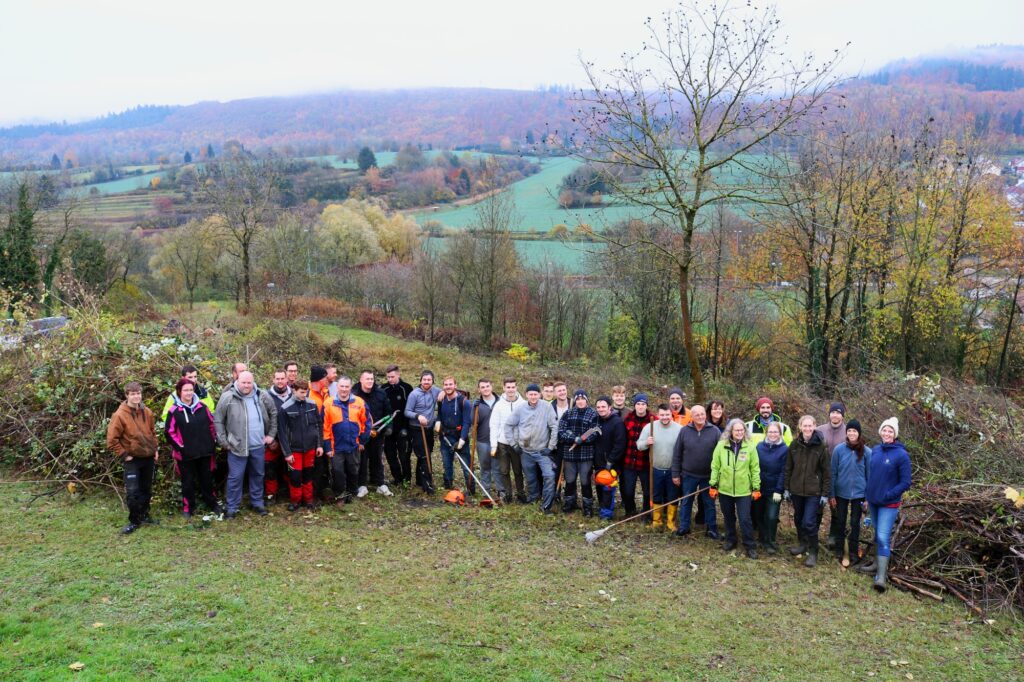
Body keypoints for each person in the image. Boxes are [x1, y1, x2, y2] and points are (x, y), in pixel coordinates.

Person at [214, 370, 277, 518]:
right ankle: (232, 507)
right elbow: (218, 420)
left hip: (258, 445)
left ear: (253, 382)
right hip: (237, 446)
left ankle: (257, 503)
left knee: (258, 474)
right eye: (243, 382)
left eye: (249, 382)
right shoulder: (228, 397)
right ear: (237, 381)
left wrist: (271, 435)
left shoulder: (261, 395)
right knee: (235, 477)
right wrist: (223, 441)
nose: (246, 385)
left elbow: (273, 413)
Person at [859, 418, 911, 592]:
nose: (887, 433)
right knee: (876, 533)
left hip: (889, 504)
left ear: (895, 434)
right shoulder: (876, 450)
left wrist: (889, 494)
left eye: (890, 431)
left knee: (882, 537)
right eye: (884, 430)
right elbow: (871, 475)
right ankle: (875, 564)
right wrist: (867, 496)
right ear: (880, 432)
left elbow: (905, 482)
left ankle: (881, 576)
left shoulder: (901, 455)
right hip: (873, 501)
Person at [165, 377, 222, 520]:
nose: (189, 393)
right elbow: (169, 432)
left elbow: (211, 425)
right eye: (185, 390)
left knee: (207, 479)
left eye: (191, 390)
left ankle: (212, 504)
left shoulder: (202, 407)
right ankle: (188, 508)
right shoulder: (174, 410)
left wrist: (212, 441)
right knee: (188, 482)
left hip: (205, 451)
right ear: (179, 392)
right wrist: (180, 447)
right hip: (185, 454)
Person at [106, 381, 159, 535]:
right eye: (133, 394)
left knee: (146, 489)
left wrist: (155, 449)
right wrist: (124, 455)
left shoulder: (147, 412)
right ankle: (134, 520)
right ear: (127, 395)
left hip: (148, 457)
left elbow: (152, 432)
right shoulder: (119, 415)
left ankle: (144, 515)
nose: (136, 396)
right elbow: (111, 440)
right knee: (133, 492)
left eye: (138, 393)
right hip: (133, 460)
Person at [709, 418, 761, 559]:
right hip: (725, 489)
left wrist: (756, 487)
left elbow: (755, 468)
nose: (739, 432)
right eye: (736, 430)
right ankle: (731, 540)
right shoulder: (721, 446)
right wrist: (713, 484)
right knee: (728, 517)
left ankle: (750, 545)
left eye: (741, 430)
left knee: (745, 519)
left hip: (744, 490)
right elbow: (715, 465)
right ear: (730, 431)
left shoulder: (750, 447)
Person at [783, 415, 831, 567]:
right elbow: (788, 468)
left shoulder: (821, 447)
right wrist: (786, 488)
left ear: (815, 426)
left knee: (809, 522)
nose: (808, 428)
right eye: (805, 426)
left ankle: (813, 552)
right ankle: (802, 544)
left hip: (813, 492)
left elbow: (827, 472)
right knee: (798, 519)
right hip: (796, 490)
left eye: (810, 426)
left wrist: (824, 494)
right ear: (800, 427)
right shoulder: (794, 445)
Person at [504, 383, 559, 513]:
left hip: (542, 451)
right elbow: (508, 425)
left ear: (540, 395)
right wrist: (514, 444)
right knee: (530, 477)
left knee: (549, 475)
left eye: (535, 394)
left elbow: (554, 427)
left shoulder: (547, 407)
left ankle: (546, 505)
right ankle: (534, 497)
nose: (533, 396)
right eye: (530, 394)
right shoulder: (520, 408)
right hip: (525, 451)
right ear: (526, 395)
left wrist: (550, 447)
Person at [671, 404, 722, 539]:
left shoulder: (715, 431)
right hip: (688, 474)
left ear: (706, 415)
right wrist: (675, 473)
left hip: (709, 476)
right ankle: (684, 527)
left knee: (709, 503)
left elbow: (722, 454)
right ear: (692, 417)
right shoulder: (684, 431)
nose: (700, 417)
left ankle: (711, 528)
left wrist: (719, 476)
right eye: (697, 415)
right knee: (686, 501)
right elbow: (677, 453)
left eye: (702, 414)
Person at [276, 378, 324, 511]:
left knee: (309, 474)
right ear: (294, 390)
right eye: (302, 392)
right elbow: (282, 432)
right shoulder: (285, 408)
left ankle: (308, 500)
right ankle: (295, 501)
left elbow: (318, 425)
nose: (304, 395)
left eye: (306, 392)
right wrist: (287, 453)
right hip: (294, 449)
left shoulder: (312, 404)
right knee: (295, 476)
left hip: (310, 447)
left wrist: (319, 445)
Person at [324, 375, 371, 504]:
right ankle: (340, 494)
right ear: (337, 387)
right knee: (337, 471)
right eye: (341, 386)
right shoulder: (328, 403)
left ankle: (352, 492)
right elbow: (324, 427)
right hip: (336, 446)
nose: (344, 389)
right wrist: (327, 447)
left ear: (351, 387)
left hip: (354, 445)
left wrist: (362, 441)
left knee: (353, 470)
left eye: (346, 386)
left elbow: (367, 422)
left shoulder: (359, 402)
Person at [830, 418, 870, 566]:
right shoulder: (839, 450)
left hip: (859, 494)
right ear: (846, 433)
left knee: (855, 523)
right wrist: (831, 494)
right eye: (849, 431)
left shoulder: (867, 452)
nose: (852, 433)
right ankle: (839, 549)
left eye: (854, 431)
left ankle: (853, 552)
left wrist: (867, 497)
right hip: (840, 492)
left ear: (859, 433)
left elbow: (869, 475)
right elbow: (833, 473)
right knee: (840, 521)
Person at [637, 404, 683, 531]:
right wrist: (647, 442)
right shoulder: (650, 427)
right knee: (656, 495)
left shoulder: (679, 429)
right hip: (656, 468)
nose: (665, 417)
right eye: (662, 415)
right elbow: (639, 445)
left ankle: (670, 522)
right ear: (658, 415)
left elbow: (685, 449)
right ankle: (656, 521)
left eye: (667, 414)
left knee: (673, 495)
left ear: (671, 415)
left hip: (673, 470)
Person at [557, 389, 599, 515]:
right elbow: (561, 432)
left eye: (583, 399)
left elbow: (595, 433)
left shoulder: (593, 414)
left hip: (586, 454)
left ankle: (587, 507)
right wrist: (574, 439)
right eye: (578, 399)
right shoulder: (568, 414)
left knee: (585, 481)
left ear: (587, 400)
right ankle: (570, 503)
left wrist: (584, 440)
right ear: (575, 401)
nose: (580, 402)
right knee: (570, 480)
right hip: (569, 454)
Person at [354, 369, 393, 498]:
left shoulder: (381, 393)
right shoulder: (354, 394)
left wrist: (388, 427)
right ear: (361, 380)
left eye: (372, 379)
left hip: (378, 432)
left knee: (378, 458)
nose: (370, 381)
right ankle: (362, 485)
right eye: (367, 379)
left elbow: (389, 412)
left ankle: (380, 484)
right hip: (361, 433)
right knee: (362, 459)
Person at [489, 377, 527, 504]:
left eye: (513, 387)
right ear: (504, 388)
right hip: (502, 443)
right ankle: (508, 494)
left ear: (516, 388)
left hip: (517, 443)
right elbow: (494, 425)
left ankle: (521, 493)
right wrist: (494, 445)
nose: (510, 390)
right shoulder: (499, 405)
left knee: (518, 470)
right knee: (504, 470)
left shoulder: (523, 404)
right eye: (508, 387)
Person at [753, 421, 788, 554]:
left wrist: (779, 490)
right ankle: (762, 538)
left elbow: (784, 471)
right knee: (758, 514)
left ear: (780, 434)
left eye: (775, 432)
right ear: (766, 433)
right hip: (759, 488)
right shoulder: (759, 447)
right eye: (770, 432)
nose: (773, 434)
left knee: (772, 516)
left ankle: (770, 541)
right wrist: (754, 486)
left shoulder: (784, 449)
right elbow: (754, 466)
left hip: (774, 490)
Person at [404, 370, 441, 494]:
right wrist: (418, 416)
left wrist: (443, 394)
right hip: (416, 429)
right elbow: (407, 411)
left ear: (433, 381)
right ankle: (427, 484)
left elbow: (449, 392)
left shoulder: (435, 391)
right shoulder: (414, 394)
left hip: (429, 429)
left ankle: (420, 480)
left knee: (427, 453)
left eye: (429, 380)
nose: (426, 382)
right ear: (420, 381)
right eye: (424, 379)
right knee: (424, 455)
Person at [817, 401, 847, 551]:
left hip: (840, 475)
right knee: (817, 505)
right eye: (833, 412)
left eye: (838, 412)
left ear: (842, 415)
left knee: (837, 507)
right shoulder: (819, 430)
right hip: (820, 474)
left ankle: (833, 537)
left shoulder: (848, 432)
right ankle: (812, 535)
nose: (835, 415)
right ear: (829, 414)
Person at [437, 376, 474, 493]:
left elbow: (467, 422)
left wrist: (462, 439)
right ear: (443, 386)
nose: (448, 387)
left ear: (455, 385)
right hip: (445, 437)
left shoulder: (464, 402)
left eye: (450, 384)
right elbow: (439, 414)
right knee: (447, 464)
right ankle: (448, 486)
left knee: (466, 466)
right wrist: (438, 422)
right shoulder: (442, 400)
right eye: (446, 385)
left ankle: (471, 489)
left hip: (459, 436)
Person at [593, 396, 626, 520]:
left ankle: (606, 513)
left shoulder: (617, 422)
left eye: (603, 407)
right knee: (599, 485)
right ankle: (602, 506)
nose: (601, 409)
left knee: (608, 486)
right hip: (598, 461)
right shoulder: (597, 421)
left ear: (609, 408)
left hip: (611, 462)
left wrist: (611, 461)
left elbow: (620, 444)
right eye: (598, 407)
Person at [621, 393, 653, 519]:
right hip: (629, 461)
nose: (640, 406)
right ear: (634, 405)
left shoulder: (653, 420)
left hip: (645, 462)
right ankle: (630, 511)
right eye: (638, 404)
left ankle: (646, 513)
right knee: (628, 490)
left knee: (647, 491)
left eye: (643, 404)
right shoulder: (628, 418)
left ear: (646, 405)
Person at [382, 364, 414, 486]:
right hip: (389, 429)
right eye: (388, 377)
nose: (390, 379)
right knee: (390, 455)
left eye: (392, 376)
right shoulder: (384, 389)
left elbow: (410, 409)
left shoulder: (406, 388)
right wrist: (385, 427)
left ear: (398, 375)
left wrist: (406, 428)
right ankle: (397, 478)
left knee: (404, 455)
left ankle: (407, 479)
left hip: (403, 428)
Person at [265, 368, 292, 504]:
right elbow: (263, 419)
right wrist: (269, 439)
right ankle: (271, 494)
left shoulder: (294, 394)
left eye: (282, 378)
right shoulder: (265, 396)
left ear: (287, 379)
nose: (280, 381)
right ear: (273, 380)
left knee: (291, 467)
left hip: (290, 440)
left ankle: (290, 493)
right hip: (273, 440)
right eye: (278, 379)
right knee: (269, 467)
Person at [308, 365, 333, 499]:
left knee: (324, 465)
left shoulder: (325, 392)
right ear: (319, 379)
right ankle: (313, 495)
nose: (327, 379)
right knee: (315, 467)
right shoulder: (308, 394)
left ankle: (324, 490)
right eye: (325, 377)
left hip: (326, 434)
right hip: (313, 437)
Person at [472, 379, 498, 497]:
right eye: (482, 387)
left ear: (491, 387)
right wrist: (474, 409)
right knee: (485, 467)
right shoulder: (478, 404)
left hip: (499, 441)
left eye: (487, 386)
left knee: (499, 468)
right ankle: (485, 492)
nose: (485, 389)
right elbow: (473, 421)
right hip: (483, 440)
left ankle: (501, 492)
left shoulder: (500, 401)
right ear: (479, 390)